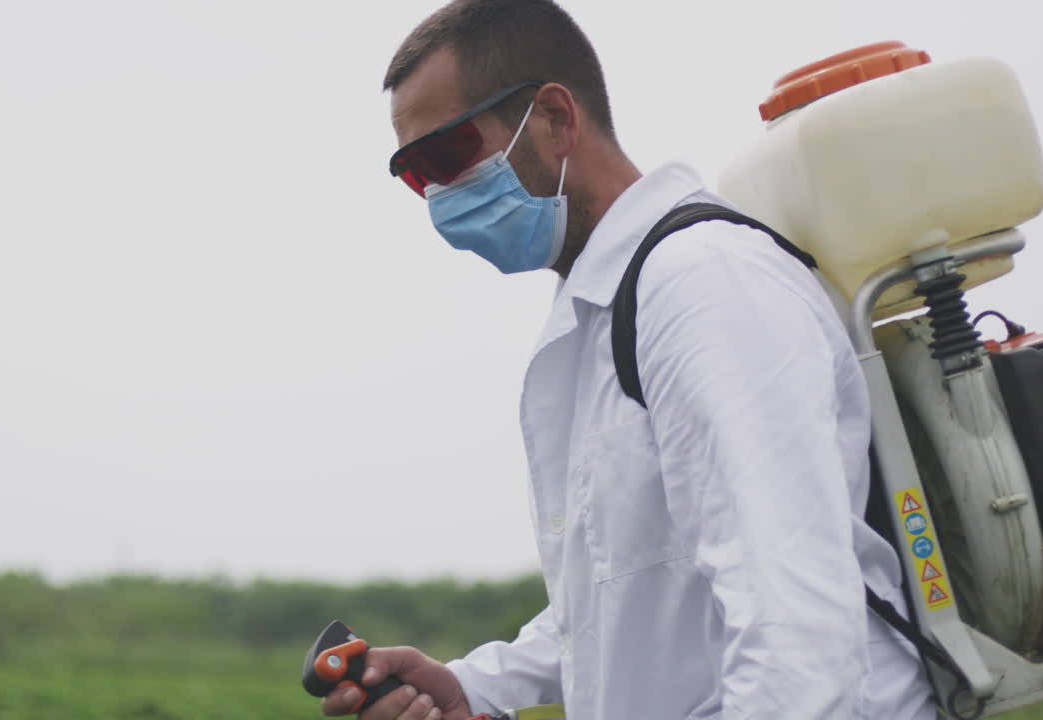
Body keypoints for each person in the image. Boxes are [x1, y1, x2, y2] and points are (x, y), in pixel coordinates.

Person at [323, 1, 937, 718]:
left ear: (555, 119)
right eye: (414, 175)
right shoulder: (602, 312)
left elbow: (794, 625)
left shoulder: (702, 285)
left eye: (447, 157)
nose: (438, 198)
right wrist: (480, 687)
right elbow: (631, 594)